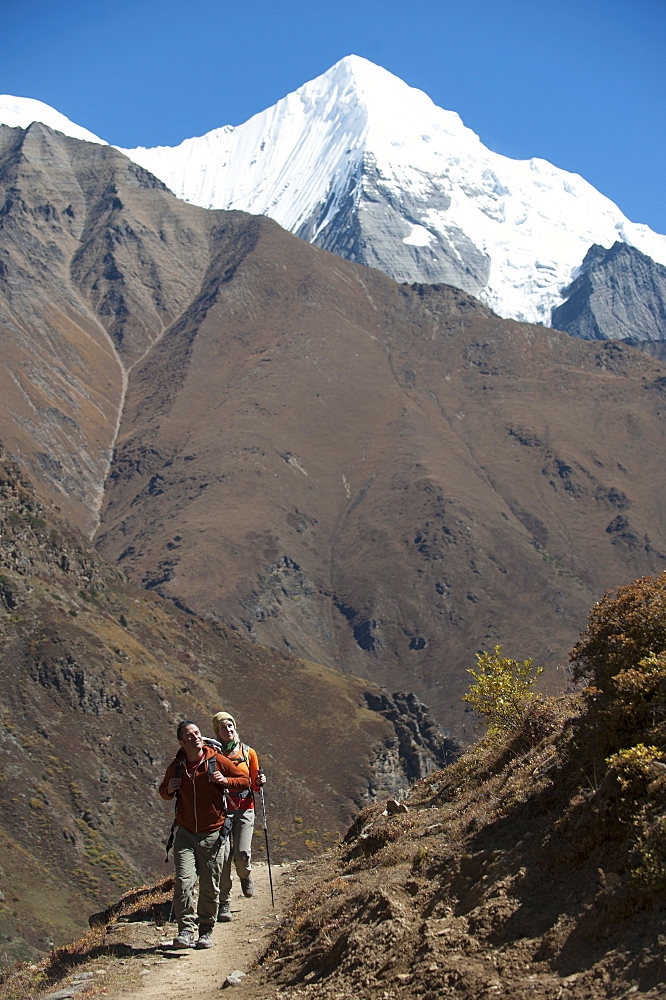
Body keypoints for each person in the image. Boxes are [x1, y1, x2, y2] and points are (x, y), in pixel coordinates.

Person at [159, 720, 250, 949]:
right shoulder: (177, 765)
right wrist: (169, 789)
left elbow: (245, 780)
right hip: (186, 834)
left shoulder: (216, 760)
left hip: (213, 835)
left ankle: (206, 930)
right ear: (181, 741)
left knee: (210, 885)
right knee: (184, 882)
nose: (195, 737)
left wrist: (225, 780)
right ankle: (186, 931)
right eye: (189, 735)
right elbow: (164, 791)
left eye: (197, 733)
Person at [210, 711, 266, 922]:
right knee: (223, 859)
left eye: (231, 726)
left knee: (241, 853)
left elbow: (254, 784)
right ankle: (224, 903)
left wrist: (259, 781)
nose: (228, 731)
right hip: (221, 810)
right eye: (223, 728)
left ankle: (245, 874)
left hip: (244, 807)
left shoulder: (248, 752)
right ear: (217, 732)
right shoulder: (212, 754)